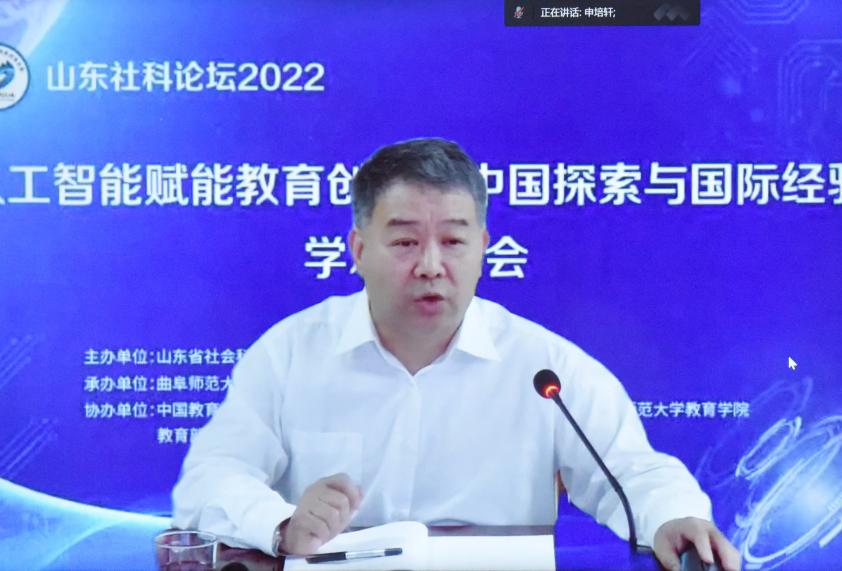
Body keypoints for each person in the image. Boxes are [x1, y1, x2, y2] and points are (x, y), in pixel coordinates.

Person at [172, 138, 741, 571]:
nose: (430, 266)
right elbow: (211, 476)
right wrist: (281, 524)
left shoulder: (543, 366)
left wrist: (673, 516)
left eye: (453, 241)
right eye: (404, 242)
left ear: (483, 249)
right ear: (358, 250)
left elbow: (633, 469)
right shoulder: (291, 352)